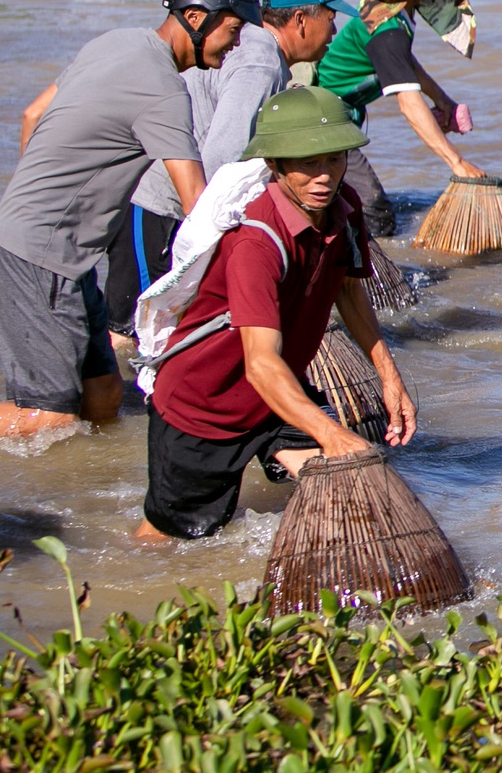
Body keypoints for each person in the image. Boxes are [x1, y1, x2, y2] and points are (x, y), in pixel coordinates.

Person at [0, 0, 258, 443]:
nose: (234, 45)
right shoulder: (165, 90)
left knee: (103, 397)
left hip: (60, 254)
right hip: (38, 258)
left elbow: (31, 114)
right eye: (231, 30)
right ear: (195, 18)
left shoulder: (116, 42)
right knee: (47, 418)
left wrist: (33, 199)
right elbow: (198, 207)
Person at [136, 87, 417, 541]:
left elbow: (348, 288)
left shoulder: (343, 209)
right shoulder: (256, 243)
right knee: (170, 543)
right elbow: (259, 362)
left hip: (278, 396)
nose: (323, 176)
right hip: (205, 405)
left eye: (333, 159)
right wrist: (333, 434)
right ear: (275, 165)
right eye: (307, 163)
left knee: (351, 484)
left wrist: (389, 376)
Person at [110, 0, 356, 334]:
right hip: (161, 209)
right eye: (331, 19)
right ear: (302, 21)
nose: (335, 34)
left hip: (178, 207)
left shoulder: (255, 47)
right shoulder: (260, 59)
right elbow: (222, 161)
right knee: (135, 333)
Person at [315, 0, 489, 238]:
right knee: (375, 211)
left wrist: (442, 99)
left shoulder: (394, 6)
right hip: (324, 119)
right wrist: (457, 162)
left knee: (347, 201)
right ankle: (371, 274)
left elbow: (403, 63)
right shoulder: (388, 28)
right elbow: (408, 104)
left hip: (339, 112)